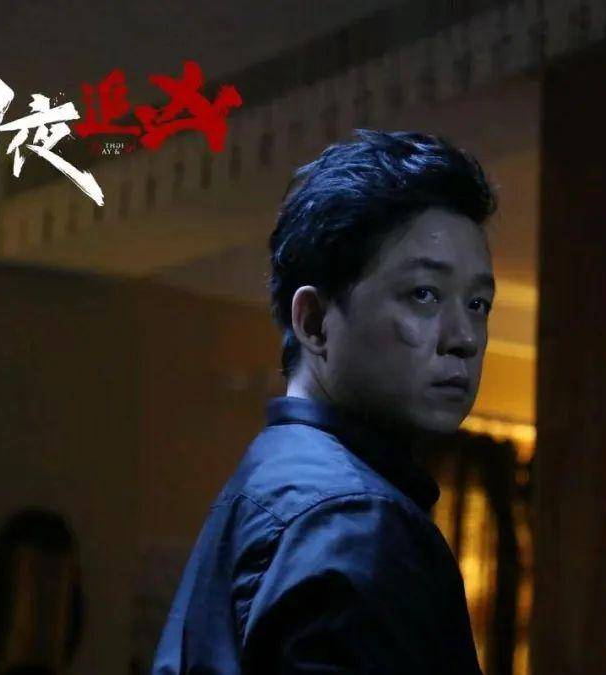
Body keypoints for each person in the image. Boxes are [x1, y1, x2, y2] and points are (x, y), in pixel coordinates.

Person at [151, 129, 498, 674]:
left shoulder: (274, 477)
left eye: (478, 303)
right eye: (423, 294)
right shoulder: (354, 518)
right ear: (314, 322)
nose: (464, 337)